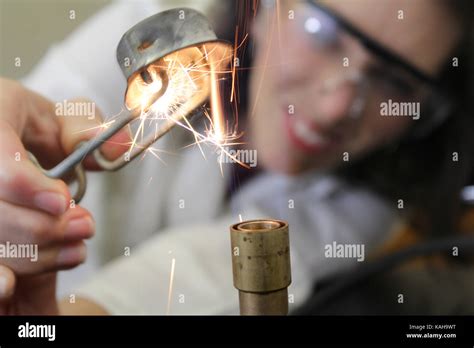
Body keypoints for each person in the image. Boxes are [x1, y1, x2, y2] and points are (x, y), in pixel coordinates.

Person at [0, 0, 473, 315]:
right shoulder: (166, 25)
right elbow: (56, 101)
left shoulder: (379, 201)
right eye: (321, 31)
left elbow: (199, 271)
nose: (334, 107)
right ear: (264, 8)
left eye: (395, 81)